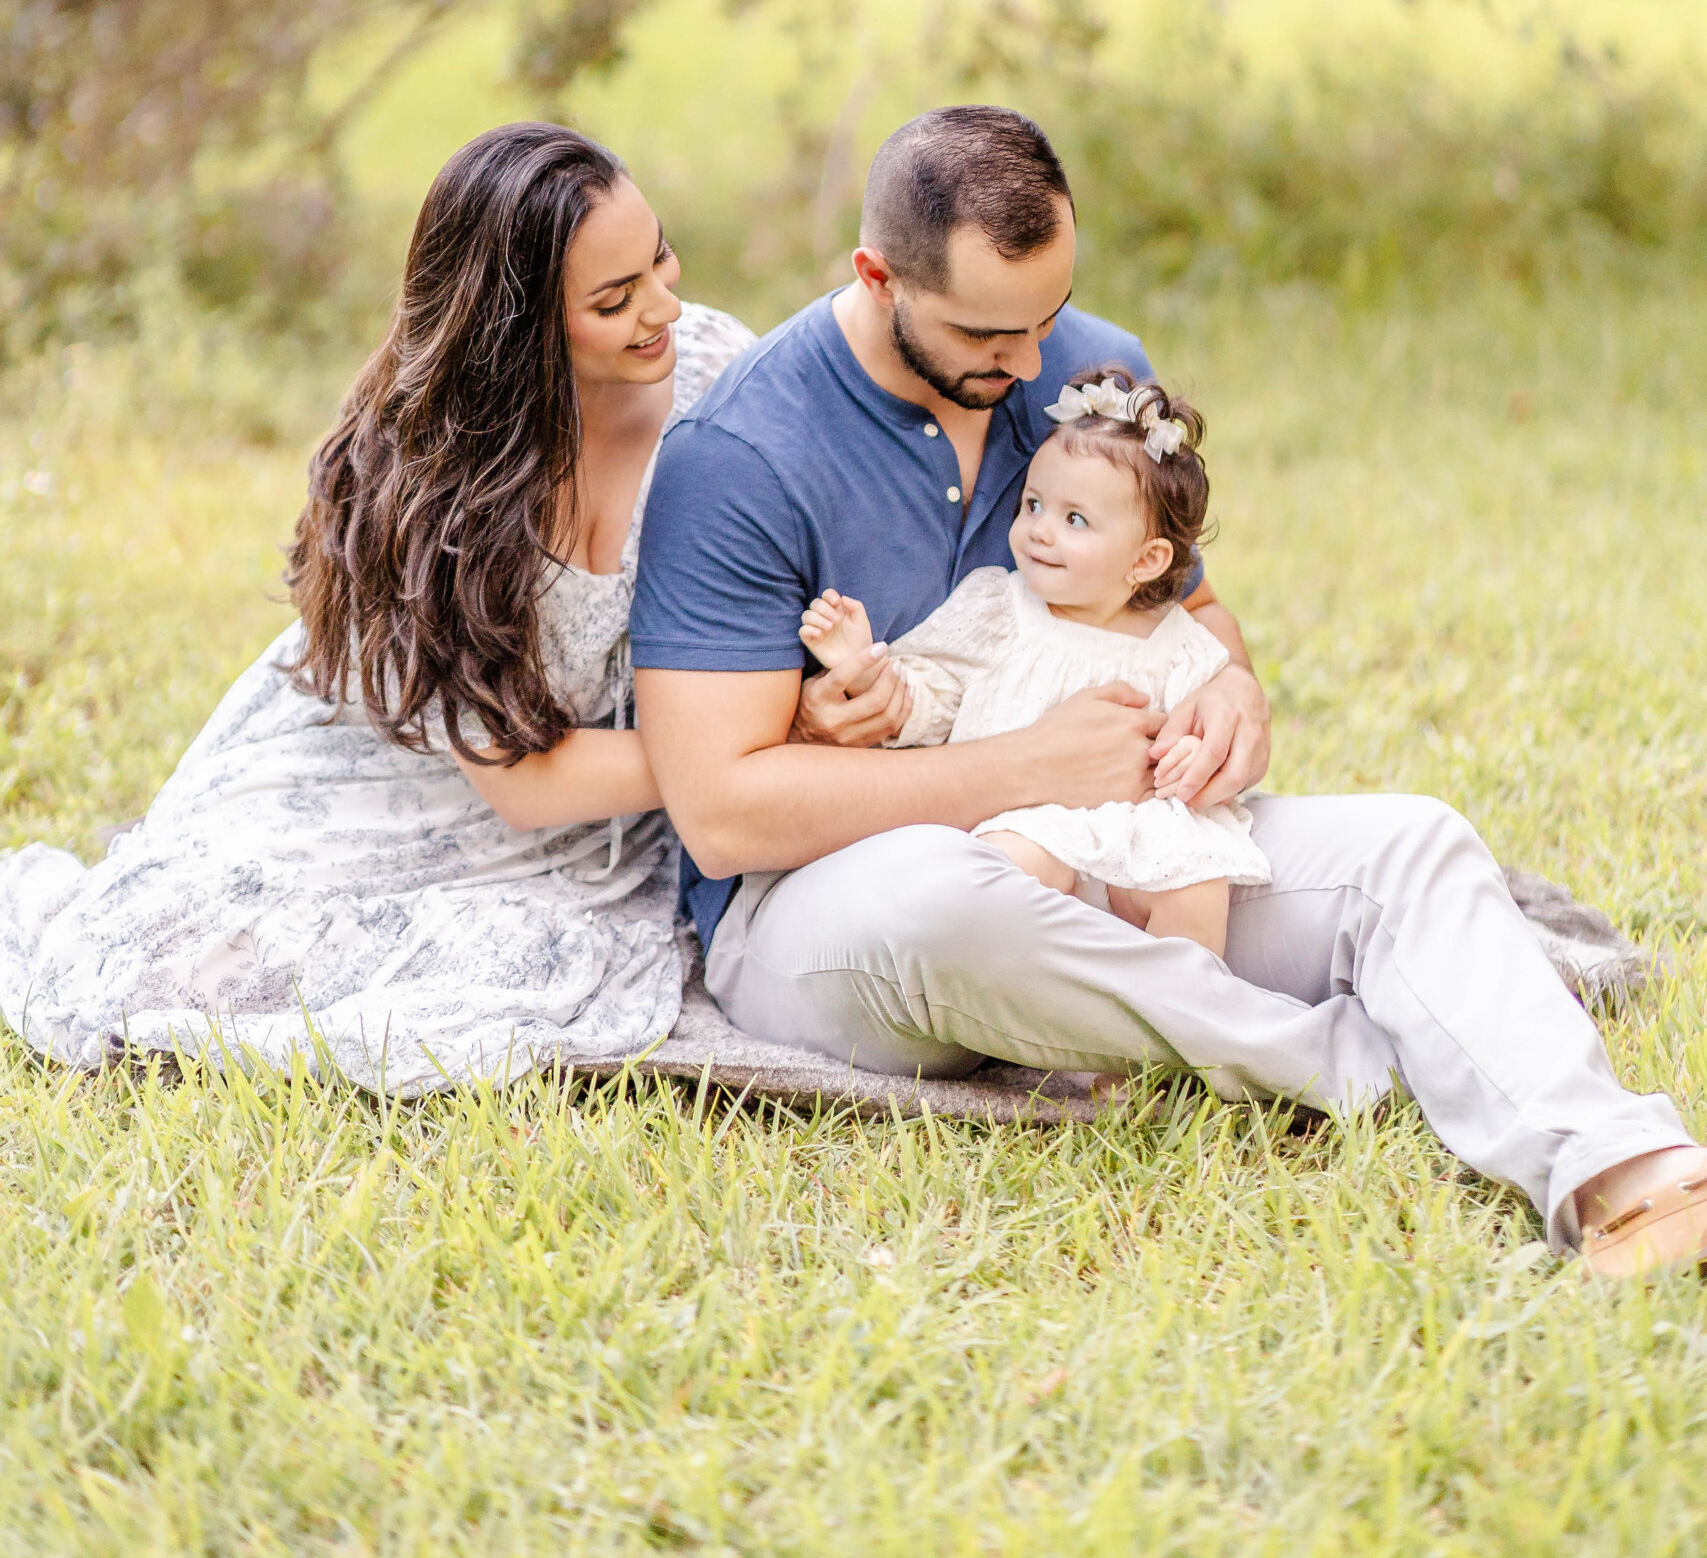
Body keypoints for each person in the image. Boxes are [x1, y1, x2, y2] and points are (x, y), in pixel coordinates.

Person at [629, 104, 1707, 1277]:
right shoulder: (739, 456)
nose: (1034, 364)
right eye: (993, 332)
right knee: (945, 897)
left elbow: (1189, 614)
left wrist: (1234, 691)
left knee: (1412, 842)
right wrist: (1021, 768)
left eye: (1049, 316)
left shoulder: (1091, 376)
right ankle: (1354, 1062)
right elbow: (721, 812)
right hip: (833, 913)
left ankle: (1619, 1170)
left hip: (1109, 855)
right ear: (878, 275)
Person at [0, 122, 751, 1090]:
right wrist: (739, 755)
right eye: (615, 300)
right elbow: (526, 785)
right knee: (165, 966)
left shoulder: (718, 371)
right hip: (409, 755)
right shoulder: (425, 485)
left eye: (660, 257)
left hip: (621, 782)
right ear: (515, 327)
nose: (666, 305)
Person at [799, 367, 1268, 954]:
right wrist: (866, 669)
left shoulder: (1176, 641)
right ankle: (1043, 1004)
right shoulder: (1000, 606)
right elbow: (933, 696)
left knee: (1196, 885)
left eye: (1074, 520)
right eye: (1033, 505)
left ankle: (1180, 1014)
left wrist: (1193, 753)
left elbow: (1208, 726)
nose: (1039, 532)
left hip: (1136, 832)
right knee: (1013, 873)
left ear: (1147, 560)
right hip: (1019, 820)